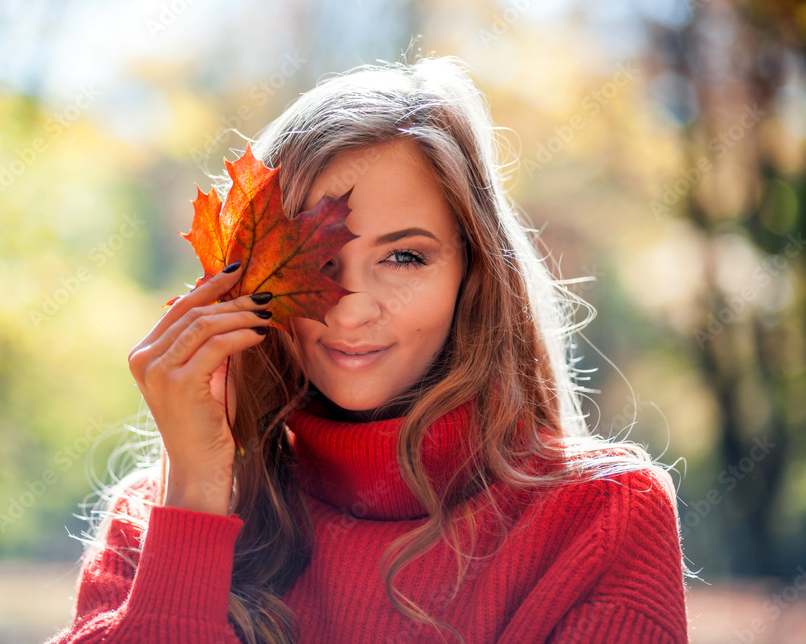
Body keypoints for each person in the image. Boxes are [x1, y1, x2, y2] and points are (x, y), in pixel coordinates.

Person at [45, 54, 691, 644]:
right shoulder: (157, 517)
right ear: (242, 277)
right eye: (315, 260)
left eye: (404, 256)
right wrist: (194, 499)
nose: (350, 306)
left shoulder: (602, 517)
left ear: (474, 273)